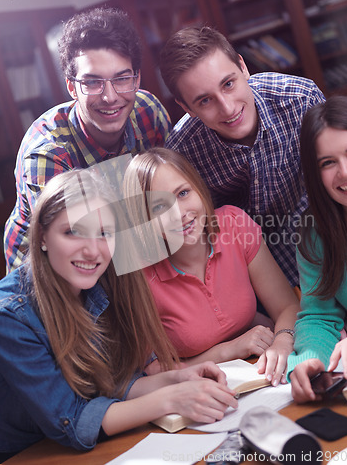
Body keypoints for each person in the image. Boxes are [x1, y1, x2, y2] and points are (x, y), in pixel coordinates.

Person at [0, 168, 237, 461]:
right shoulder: (10, 315)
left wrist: (177, 379)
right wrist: (171, 399)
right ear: (42, 237)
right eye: (73, 231)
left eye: (104, 234)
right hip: (23, 454)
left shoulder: (107, 281)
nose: (92, 251)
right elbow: (71, 421)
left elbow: (116, 382)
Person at [4, 6, 171, 272]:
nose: (110, 97)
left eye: (122, 78)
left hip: (130, 248)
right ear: (71, 86)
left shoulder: (148, 112)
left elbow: (170, 199)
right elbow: (79, 250)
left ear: (137, 78)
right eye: (92, 82)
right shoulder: (48, 154)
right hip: (51, 275)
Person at [160, 26, 325, 288]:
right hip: (249, 282)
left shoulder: (300, 99)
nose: (227, 108)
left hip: (328, 250)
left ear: (243, 67)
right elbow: (197, 246)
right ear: (185, 107)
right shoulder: (181, 154)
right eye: (204, 101)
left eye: (228, 84)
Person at [123, 147, 300, 386]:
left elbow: (287, 305)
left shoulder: (233, 223)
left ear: (198, 188)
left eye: (183, 193)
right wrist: (228, 350)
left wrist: (281, 343)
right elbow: (152, 370)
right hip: (196, 386)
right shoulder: (138, 276)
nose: (179, 214)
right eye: (159, 208)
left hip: (257, 369)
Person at [286, 95, 347, 403]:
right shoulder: (313, 234)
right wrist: (309, 361)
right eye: (328, 163)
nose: (346, 171)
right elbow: (318, 315)